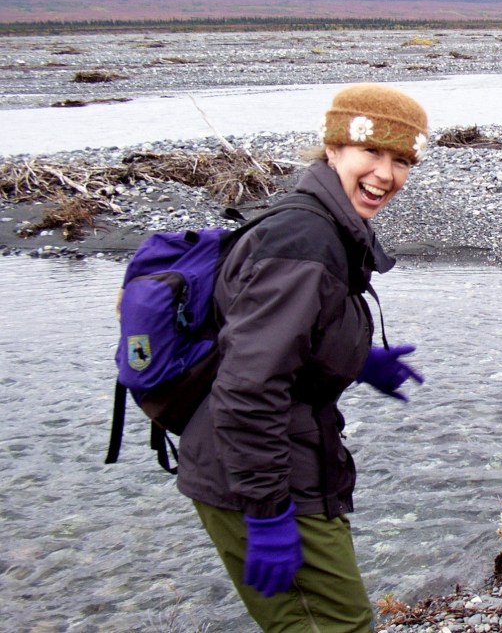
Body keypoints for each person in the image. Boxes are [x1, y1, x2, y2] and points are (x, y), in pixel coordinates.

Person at [177, 83, 429, 632]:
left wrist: (361, 361)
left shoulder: (327, 226)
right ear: (333, 148)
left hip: (275, 465)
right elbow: (248, 387)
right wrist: (267, 517)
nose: (386, 174)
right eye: (371, 151)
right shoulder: (305, 238)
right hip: (260, 477)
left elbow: (285, 339)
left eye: (402, 159)